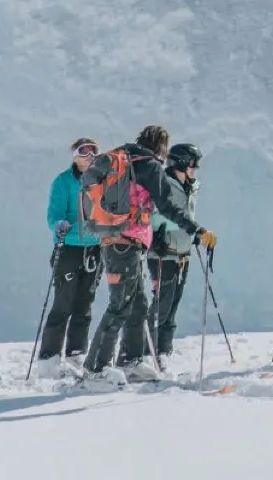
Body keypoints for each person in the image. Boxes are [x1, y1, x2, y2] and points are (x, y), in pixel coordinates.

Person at [83, 125, 216, 383]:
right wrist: (196, 229)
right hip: (126, 242)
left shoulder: (122, 158)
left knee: (138, 304)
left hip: (116, 240)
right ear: (162, 147)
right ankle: (94, 370)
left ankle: (131, 361)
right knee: (120, 304)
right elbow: (167, 205)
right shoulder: (149, 165)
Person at [38, 137, 103, 376]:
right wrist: (59, 225)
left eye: (93, 152)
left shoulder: (101, 181)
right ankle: (49, 356)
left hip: (94, 247)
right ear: (74, 156)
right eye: (83, 152)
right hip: (69, 247)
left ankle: (76, 353)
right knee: (63, 302)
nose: (89, 156)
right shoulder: (63, 182)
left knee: (84, 303)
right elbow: (53, 214)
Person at [146, 142, 202, 372]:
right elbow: (153, 215)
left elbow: (187, 215)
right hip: (163, 251)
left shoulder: (191, 186)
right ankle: (147, 351)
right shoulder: (164, 183)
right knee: (162, 304)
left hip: (182, 252)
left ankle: (164, 349)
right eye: (193, 164)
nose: (195, 169)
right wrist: (188, 228)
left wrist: (192, 234)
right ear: (181, 162)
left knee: (173, 303)